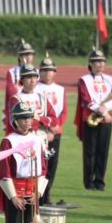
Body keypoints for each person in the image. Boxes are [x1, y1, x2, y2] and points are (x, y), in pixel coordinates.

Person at [0, 102, 48, 223]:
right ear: (15, 121)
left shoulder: (38, 139)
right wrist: (12, 196)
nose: (27, 121)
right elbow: (5, 172)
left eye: (29, 118)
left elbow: (43, 168)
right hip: (16, 193)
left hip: (32, 191)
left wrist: (38, 193)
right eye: (23, 118)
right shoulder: (8, 141)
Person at [75, 48, 112, 190]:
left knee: (103, 151)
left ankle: (100, 181)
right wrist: (99, 110)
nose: (100, 64)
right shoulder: (84, 80)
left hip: (105, 119)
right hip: (90, 118)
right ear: (91, 63)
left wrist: (105, 112)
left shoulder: (110, 79)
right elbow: (86, 98)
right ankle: (89, 182)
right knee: (90, 152)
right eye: (97, 61)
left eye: (102, 61)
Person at [37, 53, 68, 204]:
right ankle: (38, 196)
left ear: (55, 72)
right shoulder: (35, 88)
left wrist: (56, 126)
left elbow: (64, 111)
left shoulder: (61, 89)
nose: (47, 72)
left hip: (55, 132)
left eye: (50, 70)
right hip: (40, 132)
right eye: (44, 70)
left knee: (52, 166)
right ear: (39, 72)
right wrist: (46, 127)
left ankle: (46, 194)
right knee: (39, 165)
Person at [4, 38, 35, 118]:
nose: (28, 57)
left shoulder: (37, 72)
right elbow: (11, 92)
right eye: (25, 54)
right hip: (17, 110)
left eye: (30, 54)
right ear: (19, 57)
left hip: (34, 108)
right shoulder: (12, 72)